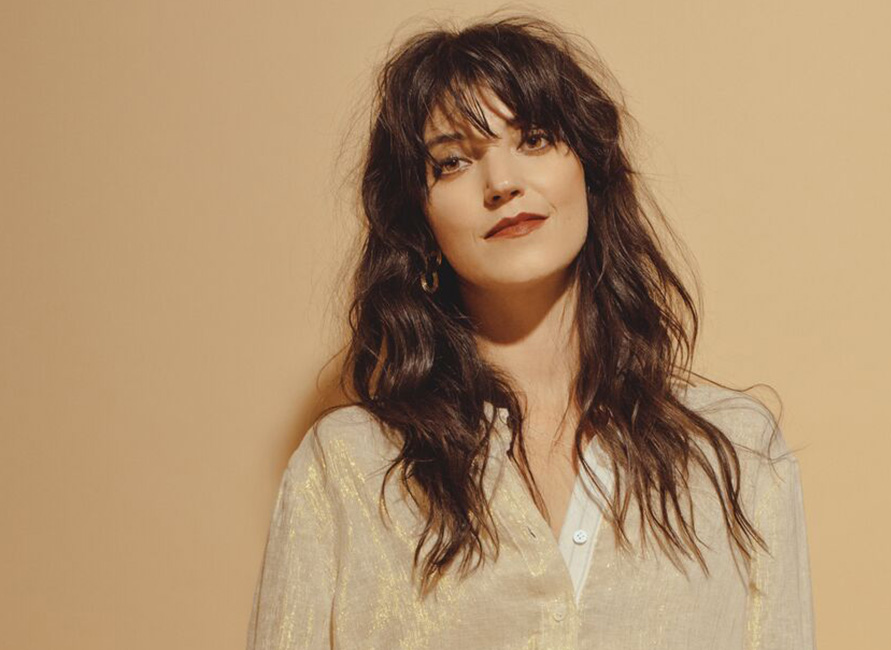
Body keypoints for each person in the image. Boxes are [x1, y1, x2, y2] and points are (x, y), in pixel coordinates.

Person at [246, 13, 816, 650]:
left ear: (590, 174)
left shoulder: (738, 454)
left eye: (536, 139)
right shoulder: (347, 466)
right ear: (420, 224)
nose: (503, 183)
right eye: (453, 162)